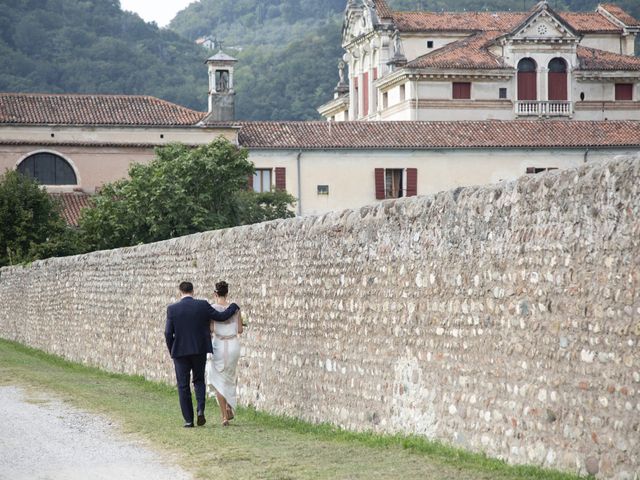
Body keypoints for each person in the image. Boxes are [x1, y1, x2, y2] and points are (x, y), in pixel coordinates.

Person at [165, 281, 239, 428]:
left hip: (180, 352)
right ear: (193, 291)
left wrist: (172, 350)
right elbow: (222, 316)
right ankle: (200, 410)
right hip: (199, 350)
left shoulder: (172, 309)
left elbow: (168, 333)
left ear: (180, 292)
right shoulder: (202, 305)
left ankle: (188, 420)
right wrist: (234, 307)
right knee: (199, 381)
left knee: (183, 385)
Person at [206, 280, 243, 426]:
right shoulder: (235, 309)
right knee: (230, 376)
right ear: (227, 293)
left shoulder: (211, 309)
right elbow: (240, 330)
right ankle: (229, 406)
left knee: (218, 380)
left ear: (215, 293)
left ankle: (224, 417)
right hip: (233, 345)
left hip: (218, 345)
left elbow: (210, 328)